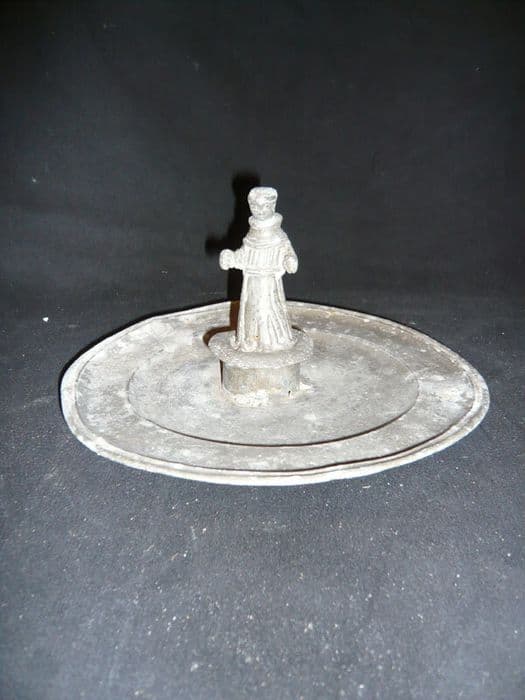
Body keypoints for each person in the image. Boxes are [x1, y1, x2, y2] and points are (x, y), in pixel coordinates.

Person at [220, 187, 298, 352]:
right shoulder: (252, 234)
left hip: (269, 282)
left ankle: (271, 342)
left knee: (268, 310)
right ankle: (252, 341)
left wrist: (289, 261)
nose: (260, 210)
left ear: (273, 206)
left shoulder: (278, 235)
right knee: (251, 310)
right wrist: (231, 258)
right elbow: (244, 255)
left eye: (265, 206)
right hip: (251, 282)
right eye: (255, 206)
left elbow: (288, 253)